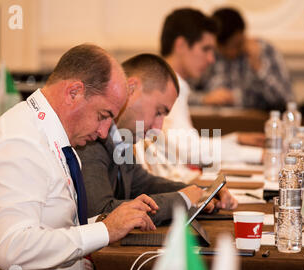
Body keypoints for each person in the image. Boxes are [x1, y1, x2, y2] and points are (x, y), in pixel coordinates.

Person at [0, 44, 158, 270]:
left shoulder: (52, 139)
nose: (104, 132)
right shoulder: (18, 141)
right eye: (103, 115)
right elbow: (12, 249)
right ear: (74, 92)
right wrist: (105, 231)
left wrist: (106, 222)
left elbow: (53, 228)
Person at [77, 54, 237, 226]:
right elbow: (101, 214)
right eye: (159, 111)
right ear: (131, 89)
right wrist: (182, 199)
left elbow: (141, 183)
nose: (158, 127)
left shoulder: (119, 136)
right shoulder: (93, 137)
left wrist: (202, 193)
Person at [136, 8, 263, 183]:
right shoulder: (164, 88)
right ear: (180, 45)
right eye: (206, 49)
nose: (211, 59)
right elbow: (187, 150)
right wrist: (256, 155)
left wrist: (236, 139)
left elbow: (186, 143)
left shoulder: (173, 84)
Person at [189, 7, 294, 111]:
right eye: (224, 48)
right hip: (213, 124)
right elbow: (182, 93)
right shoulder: (208, 54)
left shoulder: (265, 51)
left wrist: (258, 67)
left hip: (254, 123)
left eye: (237, 45)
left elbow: (286, 100)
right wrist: (204, 99)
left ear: (242, 34)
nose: (231, 52)